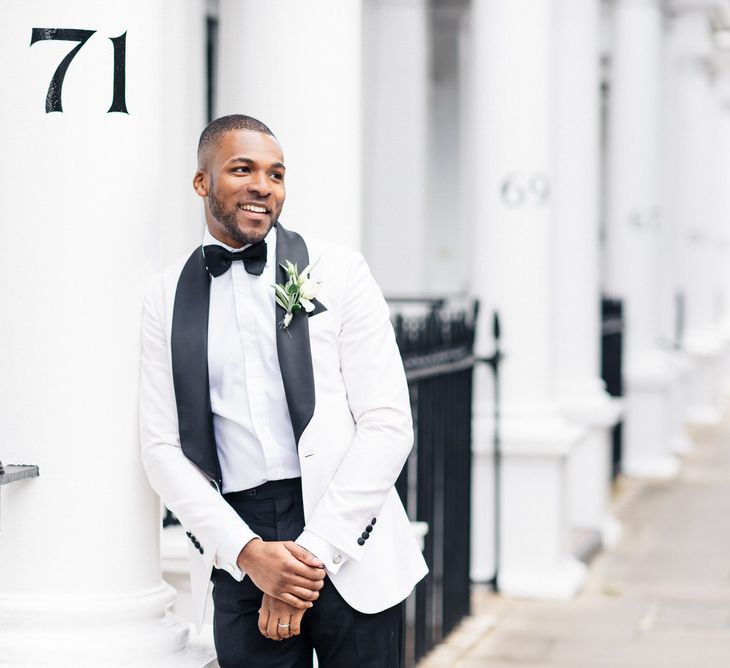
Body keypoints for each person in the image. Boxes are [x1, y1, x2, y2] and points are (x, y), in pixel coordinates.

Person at [138, 114, 428, 667]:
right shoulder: (164, 298)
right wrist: (249, 554)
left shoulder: (339, 271)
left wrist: (309, 555)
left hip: (348, 532)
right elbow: (161, 448)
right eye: (241, 169)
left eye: (275, 174)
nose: (262, 186)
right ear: (202, 183)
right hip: (240, 539)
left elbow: (388, 423)